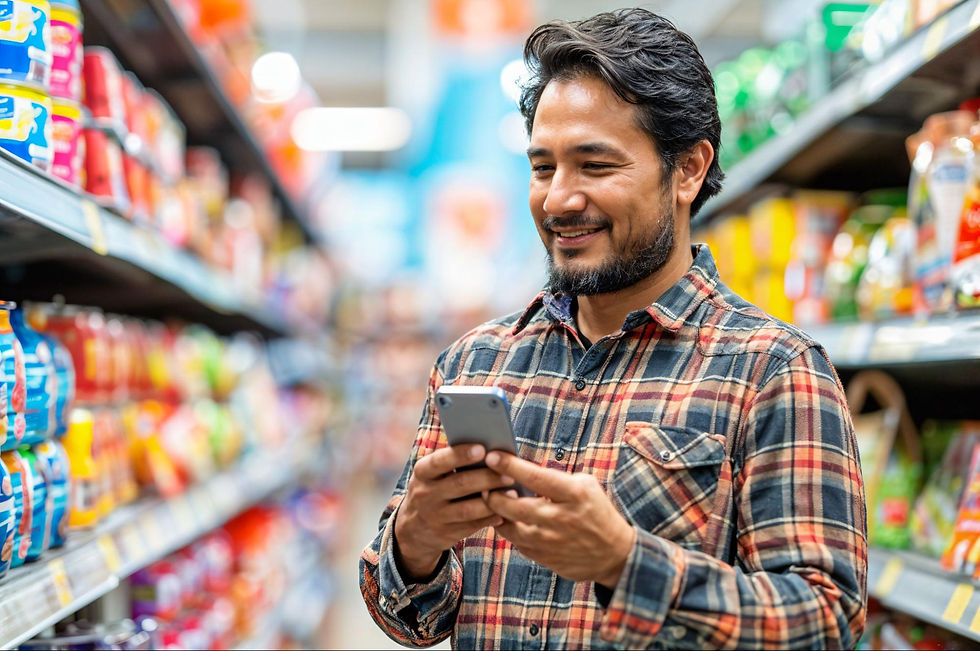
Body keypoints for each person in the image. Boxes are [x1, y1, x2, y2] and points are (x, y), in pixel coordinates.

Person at [360, 8, 866, 649]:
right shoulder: (475, 364)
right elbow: (408, 620)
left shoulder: (774, 372)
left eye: (594, 166)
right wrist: (415, 542)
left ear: (686, 170)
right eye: (543, 168)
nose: (558, 199)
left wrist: (625, 564)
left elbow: (826, 625)